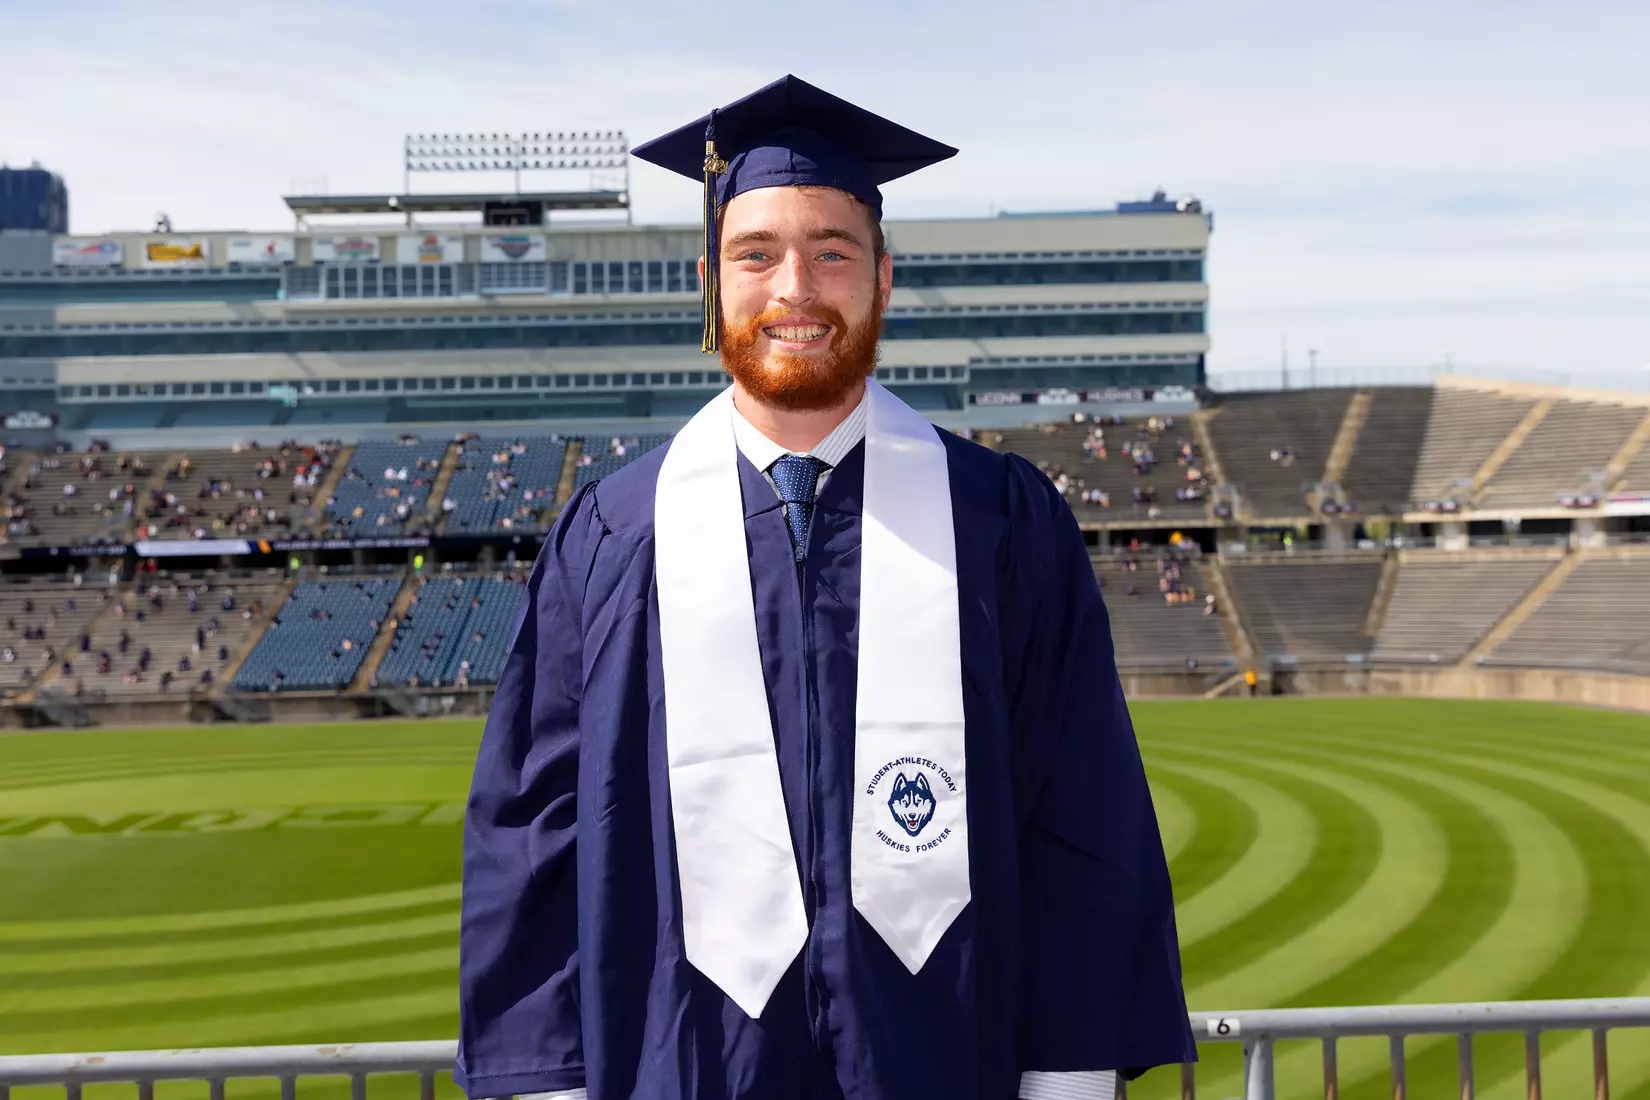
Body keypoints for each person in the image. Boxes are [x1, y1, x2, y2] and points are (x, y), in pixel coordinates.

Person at [457, 77, 1192, 1100]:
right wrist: (545, 1083)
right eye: (755, 253)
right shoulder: (615, 535)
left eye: (832, 250)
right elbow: (532, 835)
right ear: (712, 281)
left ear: (884, 277)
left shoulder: (1003, 524)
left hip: (943, 1057)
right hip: (683, 1060)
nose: (794, 285)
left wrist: (1068, 1076)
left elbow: (1081, 816)